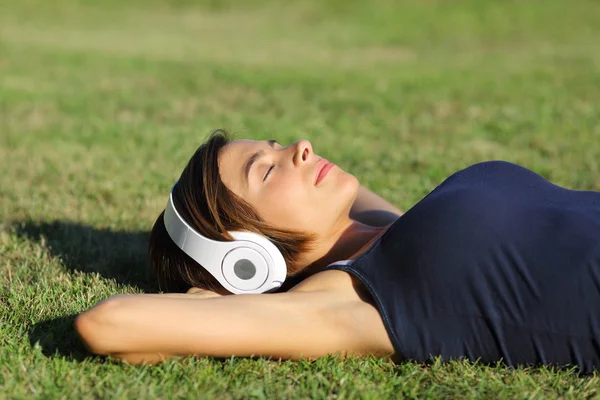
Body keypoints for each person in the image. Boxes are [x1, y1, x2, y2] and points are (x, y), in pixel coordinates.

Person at [75, 130, 600, 373]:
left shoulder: (382, 230)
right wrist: (213, 297)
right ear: (246, 259)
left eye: (276, 144)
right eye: (267, 168)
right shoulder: (346, 304)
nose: (300, 146)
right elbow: (109, 324)